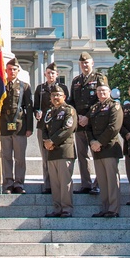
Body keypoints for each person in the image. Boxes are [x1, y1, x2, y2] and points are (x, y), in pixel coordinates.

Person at [88, 77, 124, 217]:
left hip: (109, 148)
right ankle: (105, 208)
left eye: (104, 90)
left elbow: (113, 127)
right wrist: (92, 142)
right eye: (99, 91)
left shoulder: (115, 106)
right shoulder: (94, 108)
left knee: (112, 181)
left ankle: (113, 209)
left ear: (109, 91)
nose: (101, 93)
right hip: (97, 150)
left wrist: (99, 142)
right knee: (102, 181)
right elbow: (89, 128)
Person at [0, 57, 33, 193]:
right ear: (5, 70)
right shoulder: (1, 86)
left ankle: (19, 183)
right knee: (6, 156)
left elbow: (29, 108)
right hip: (5, 125)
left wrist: (29, 127)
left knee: (19, 157)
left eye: (14, 69)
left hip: (19, 125)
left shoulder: (24, 86)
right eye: (9, 69)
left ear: (18, 71)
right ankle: (8, 183)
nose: (12, 71)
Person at [42, 85, 77, 218]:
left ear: (64, 97)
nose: (56, 98)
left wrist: (53, 141)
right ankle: (57, 208)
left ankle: (66, 208)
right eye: (53, 95)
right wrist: (46, 141)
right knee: (55, 183)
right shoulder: (50, 112)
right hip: (51, 152)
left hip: (64, 151)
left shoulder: (69, 110)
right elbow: (44, 128)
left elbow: (67, 128)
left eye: (58, 95)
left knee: (64, 181)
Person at [68, 52, 100, 194]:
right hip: (80, 124)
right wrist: (78, 118)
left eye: (86, 63)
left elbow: (101, 101)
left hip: (95, 124)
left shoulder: (99, 78)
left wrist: (87, 116)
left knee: (97, 154)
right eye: (82, 63)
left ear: (92, 63)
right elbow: (72, 102)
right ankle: (86, 184)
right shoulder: (76, 81)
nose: (84, 65)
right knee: (82, 155)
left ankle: (98, 183)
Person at [34, 63, 68, 194]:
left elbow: (67, 106)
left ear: (57, 74)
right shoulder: (40, 89)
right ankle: (48, 184)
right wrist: (37, 112)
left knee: (59, 156)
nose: (50, 75)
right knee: (45, 156)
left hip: (58, 127)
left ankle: (58, 183)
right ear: (45, 74)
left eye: (53, 73)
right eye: (48, 73)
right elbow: (36, 106)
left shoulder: (63, 88)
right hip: (44, 126)